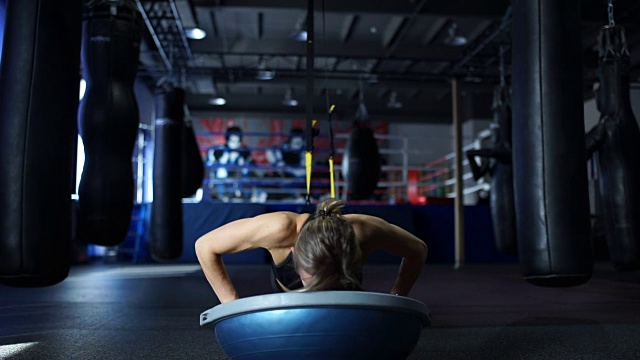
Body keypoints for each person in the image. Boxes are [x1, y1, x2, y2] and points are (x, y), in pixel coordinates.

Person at [195, 198, 428, 303]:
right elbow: (205, 246)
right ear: (294, 252)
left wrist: (397, 298)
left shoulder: (364, 231)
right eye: (315, 279)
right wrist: (231, 305)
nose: (320, 290)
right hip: (288, 291)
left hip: (347, 299)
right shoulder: (279, 229)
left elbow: (417, 250)